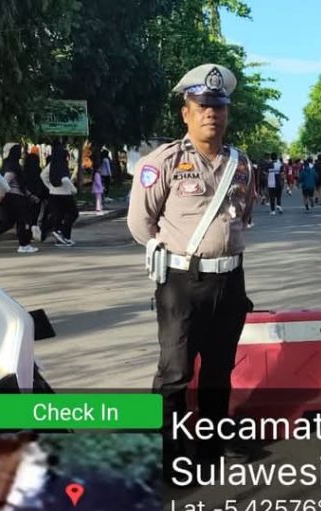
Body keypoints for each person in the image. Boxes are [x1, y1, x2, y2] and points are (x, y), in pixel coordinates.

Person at [126, 63, 254, 462]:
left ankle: (212, 443)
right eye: (202, 106)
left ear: (227, 113)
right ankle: (165, 447)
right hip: (183, 282)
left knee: (219, 369)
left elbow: (245, 212)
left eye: (218, 107)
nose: (211, 114)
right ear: (186, 112)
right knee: (175, 372)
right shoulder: (161, 162)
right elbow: (139, 222)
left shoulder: (241, 163)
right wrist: (164, 251)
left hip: (230, 281)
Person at [0, 143, 39, 254]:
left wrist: (30, 195)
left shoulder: (10, 165)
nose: (20, 153)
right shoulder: (12, 167)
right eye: (18, 150)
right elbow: (4, 183)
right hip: (14, 199)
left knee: (7, 223)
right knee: (22, 221)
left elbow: (20, 185)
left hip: (11, 198)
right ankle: (24, 245)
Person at [40, 143, 79, 246]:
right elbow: (65, 179)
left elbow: (43, 175)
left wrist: (50, 187)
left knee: (59, 215)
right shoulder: (62, 164)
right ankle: (62, 233)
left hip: (53, 194)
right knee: (73, 213)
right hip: (65, 194)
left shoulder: (52, 163)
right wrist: (73, 189)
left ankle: (61, 236)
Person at [23, 149, 49, 240]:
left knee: (27, 216)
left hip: (27, 197)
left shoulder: (23, 172)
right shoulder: (39, 172)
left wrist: (29, 195)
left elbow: (23, 185)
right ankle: (34, 230)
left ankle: (27, 232)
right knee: (35, 216)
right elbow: (41, 185)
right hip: (38, 196)